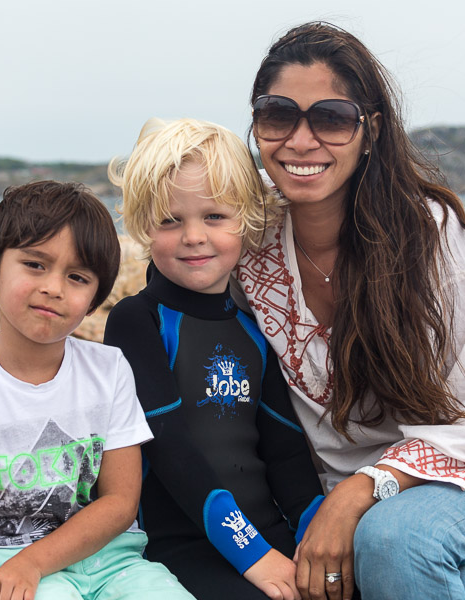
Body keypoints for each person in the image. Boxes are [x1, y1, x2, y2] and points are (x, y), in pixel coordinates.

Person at [235, 22, 465, 600]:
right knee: (461, 579)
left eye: (332, 118)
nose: (300, 139)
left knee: (395, 541)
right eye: (277, 114)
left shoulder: (427, 234)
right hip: (378, 505)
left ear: (371, 132)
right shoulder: (248, 245)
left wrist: (358, 493)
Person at [0, 181, 195, 600]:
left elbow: (120, 502)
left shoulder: (109, 370)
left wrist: (37, 559)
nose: (53, 287)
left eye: (77, 276)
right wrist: (24, 568)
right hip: (13, 571)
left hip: (113, 563)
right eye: (35, 264)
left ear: (93, 300)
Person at [104, 118, 325, 600]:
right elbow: (170, 448)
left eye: (214, 217)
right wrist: (253, 556)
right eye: (169, 220)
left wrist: (318, 536)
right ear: (142, 226)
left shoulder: (253, 325)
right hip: (179, 545)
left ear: (246, 218)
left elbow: (285, 451)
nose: (193, 236)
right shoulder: (135, 321)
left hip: (267, 538)